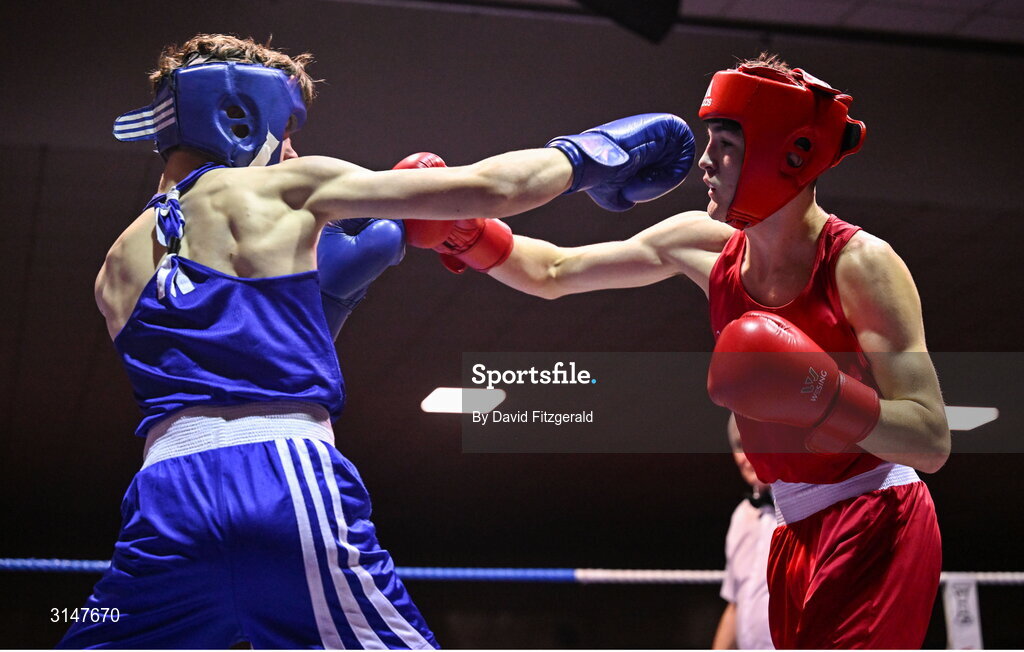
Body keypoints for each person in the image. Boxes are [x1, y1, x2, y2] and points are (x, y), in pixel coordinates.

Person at [57, 33, 696, 649]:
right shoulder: (285, 186)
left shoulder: (113, 267)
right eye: (288, 132)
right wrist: (591, 152)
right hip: (286, 482)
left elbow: (224, 360)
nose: (289, 150)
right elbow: (492, 187)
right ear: (242, 117)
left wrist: (320, 306)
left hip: (164, 502)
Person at [409, 53, 948, 648]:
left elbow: (930, 438)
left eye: (725, 145)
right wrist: (469, 232)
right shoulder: (701, 245)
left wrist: (823, 391)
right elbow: (555, 270)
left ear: (784, 153)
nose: (704, 163)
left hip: (877, 511)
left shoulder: (861, 265)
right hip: (793, 527)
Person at [712, 415, 774, 650]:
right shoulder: (741, 516)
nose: (748, 456)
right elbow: (735, 604)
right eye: (739, 445)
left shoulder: (805, 511)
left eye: (756, 442)